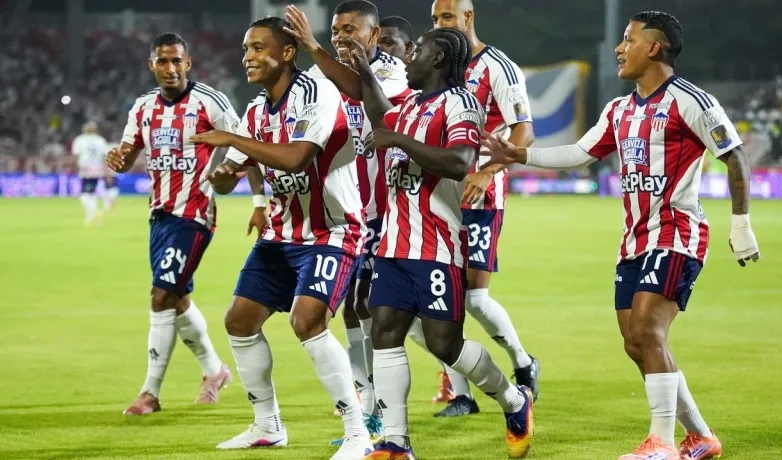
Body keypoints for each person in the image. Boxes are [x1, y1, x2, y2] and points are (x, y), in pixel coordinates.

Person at [478, 11, 761, 460]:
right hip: (633, 241)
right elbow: (579, 153)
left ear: (654, 47)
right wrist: (519, 153)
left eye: (628, 40)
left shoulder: (692, 101)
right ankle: (701, 436)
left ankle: (661, 443)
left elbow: (735, 156)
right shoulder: (619, 109)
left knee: (650, 331)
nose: (618, 48)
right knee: (637, 344)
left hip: (676, 234)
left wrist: (741, 225)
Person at [347, 27, 534, 460]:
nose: (407, 57)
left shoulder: (462, 103)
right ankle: (396, 443)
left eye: (415, 52)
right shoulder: (410, 105)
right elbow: (382, 117)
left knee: (444, 345)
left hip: (437, 245)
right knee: (386, 331)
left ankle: (514, 400)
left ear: (437, 59)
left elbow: (460, 162)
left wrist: (399, 142)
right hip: (394, 244)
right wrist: (361, 68)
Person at [190, 17, 373, 459]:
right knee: (239, 321)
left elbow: (294, 158)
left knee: (307, 321)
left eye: (257, 48)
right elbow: (229, 178)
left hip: (333, 230)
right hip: (281, 234)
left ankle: (358, 435)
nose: (247, 57)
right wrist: (223, 172)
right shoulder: (255, 111)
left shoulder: (317, 92)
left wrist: (232, 142)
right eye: (245, 48)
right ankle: (267, 425)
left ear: (287, 53)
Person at [282, 1, 411, 440]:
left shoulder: (396, 71)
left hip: (389, 211)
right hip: (345, 213)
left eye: (351, 29)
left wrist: (314, 48)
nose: (340, 36)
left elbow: (363, 93)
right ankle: (369, 403)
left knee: (387, 313)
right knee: (353, 311)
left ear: (374, 36)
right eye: (335, 29)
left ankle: (467, 384)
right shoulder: (318, 75)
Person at [406, 0, 539, 418]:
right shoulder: (439, 66)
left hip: (478, 194)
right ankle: (460, 394)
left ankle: (522, 361)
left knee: (476, 298)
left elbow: (524, 132)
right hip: (435, 195)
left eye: (446, 17)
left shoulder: (499, 67)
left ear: (469, 18)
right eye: (434, 19)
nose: (439, 25)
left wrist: (488, 172)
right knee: (437, 298)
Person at [105, 33, 237, 416]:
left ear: (188, 62)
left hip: (194, 214)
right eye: (162, 61)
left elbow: (244, 138)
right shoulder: (144, 107)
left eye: (176, 61)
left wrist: (228, 171)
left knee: (160, 296)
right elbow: (128, 153)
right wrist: (119, 158)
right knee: (176, 299)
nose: (170, 68)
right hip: (160, 215)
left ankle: (150, 392)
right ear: (152, 65)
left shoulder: (208, 101)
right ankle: (214, 371)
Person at [72, 121, 109, 226]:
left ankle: (94, 211)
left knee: (84, 195)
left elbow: (76, 155)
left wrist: (74, 167)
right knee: (92, 193)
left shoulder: (80, 140)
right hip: (97, 169)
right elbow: (104, 157)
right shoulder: (101, 140)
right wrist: (106, 170)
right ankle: (91, 216)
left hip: (85, 169)